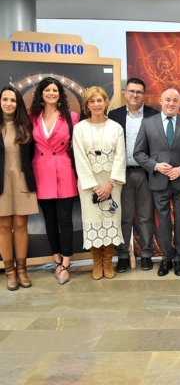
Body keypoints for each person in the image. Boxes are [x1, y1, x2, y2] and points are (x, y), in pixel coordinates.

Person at [134, 88, 180, 277]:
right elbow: (139, 153)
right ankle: (167, 258)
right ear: (161, 101)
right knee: (163, 221)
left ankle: (179, 259)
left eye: (175, 100)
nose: (171, 103)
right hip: (159, 181)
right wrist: (156, 166)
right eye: (168, 100)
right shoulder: (148, 123)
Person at [29, 77, 79, 285]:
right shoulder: (32, 117)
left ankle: (66, 263)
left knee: (65, 221)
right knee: (49, 221)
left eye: (55, 90)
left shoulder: (71, 117)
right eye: (47, 90)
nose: (51, 93)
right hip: (41, 173)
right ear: (41, 93)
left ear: (60, 94)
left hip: (65, 171)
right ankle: (56, 259)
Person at [73, 86, 126, 280]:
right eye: (92, 101)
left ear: (106, 103)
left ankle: (107, 262)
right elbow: (79, 158)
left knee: (110, 220)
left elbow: (120, 157)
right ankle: (96, 263)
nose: (96, 105)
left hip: (112, 183)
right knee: (93, 221)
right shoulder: (79, 128)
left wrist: (110, 184)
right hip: (89, 186)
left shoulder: (115, 127)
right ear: (87, 105)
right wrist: (95, 187)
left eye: (99, 101)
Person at [108, 78, 159, 272]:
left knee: (146, 217)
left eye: (139, 91)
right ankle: (122, 255)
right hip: (121, 174)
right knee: (124, 217)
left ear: (143, 94)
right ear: (126, 93)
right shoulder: (114, 116)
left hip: (146, 174)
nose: (135, 94)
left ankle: (146, 254)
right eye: (131, 91)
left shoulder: (154, 115)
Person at [0, 86, 37, 290]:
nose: (9, 103)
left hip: (22, 182)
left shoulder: (25, 126)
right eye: (5, 99)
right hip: (1, 184)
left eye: (13, 100)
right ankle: (10, 272)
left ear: (18, 104)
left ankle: (22, 270)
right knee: (4, 227)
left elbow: (30, 156)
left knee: (21, 226)